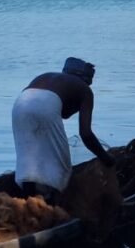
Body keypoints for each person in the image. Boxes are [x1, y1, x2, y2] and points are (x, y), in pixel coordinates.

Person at [12, 57, 115, 204]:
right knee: (60, 163)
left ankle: (28, 201)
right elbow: (86, 134)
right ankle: (52, 205)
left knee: (28, 159)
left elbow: (64, 114)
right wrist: (107, 159)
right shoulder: (85, 90)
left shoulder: (48, 78)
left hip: (20, 105)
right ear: (85, 79)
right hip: (45, 106)